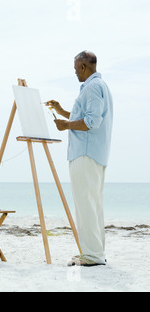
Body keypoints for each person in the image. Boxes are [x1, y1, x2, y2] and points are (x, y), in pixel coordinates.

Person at [46, 50, 113, 267]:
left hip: (85, 153)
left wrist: (65, 125)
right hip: (94, 154)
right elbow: (86, 117)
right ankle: (95, 252)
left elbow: (92, 122)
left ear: (83, 67)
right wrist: (62, 111)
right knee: (93, 206)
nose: (75, 73)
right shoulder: (100, 86)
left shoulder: (92, 87)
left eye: (76, 69)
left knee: (86, 206)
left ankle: (92, 256)